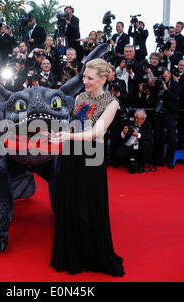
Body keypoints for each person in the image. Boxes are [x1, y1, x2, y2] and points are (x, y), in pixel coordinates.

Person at [49, 58, 124, 277]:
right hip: (72, 155)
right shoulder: (80, 97)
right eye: (84, 76)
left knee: (87, 206)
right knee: (71, 204)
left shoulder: (111, 102)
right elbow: (75, 124)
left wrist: (68, 136)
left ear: (103, 78)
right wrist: (58, 134)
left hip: (92, 157)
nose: (85, 81)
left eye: (90, 78)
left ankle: (91, 256)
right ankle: (72, 254)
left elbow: (95, 132)